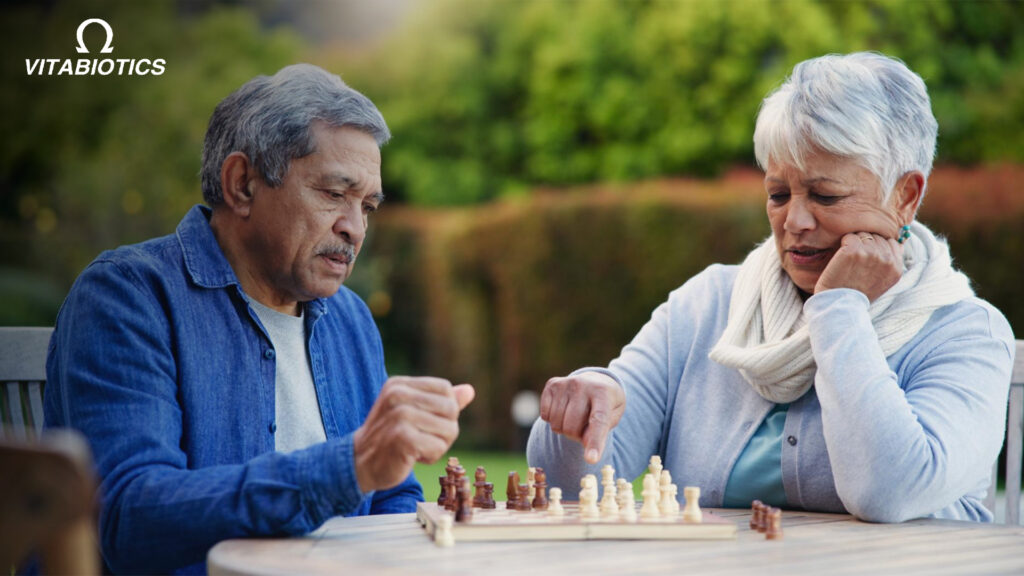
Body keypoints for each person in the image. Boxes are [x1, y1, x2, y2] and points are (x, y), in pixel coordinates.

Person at [527, 52, 1016, 523]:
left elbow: (889, 492)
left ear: (905, 196)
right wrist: (585, 407)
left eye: (825, 195)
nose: (795, 221)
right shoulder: (709, 303)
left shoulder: (967, 333)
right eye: (778, 194)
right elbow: (566, 484)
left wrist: (839, 309)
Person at [44, 64, 474, 574]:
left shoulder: (351, 319)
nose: (354, 228)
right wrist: (347, 467)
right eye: (334, 194)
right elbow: (130, 520)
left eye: (368, 207)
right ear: (242, 184)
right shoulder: (128, 295)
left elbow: (391, 496)